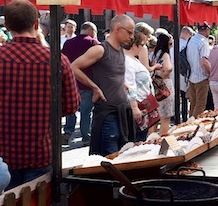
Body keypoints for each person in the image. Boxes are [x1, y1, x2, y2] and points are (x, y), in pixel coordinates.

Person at [0, 0, 80, 189]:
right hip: (41, 151)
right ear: (37, 24)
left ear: (6, 26)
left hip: (3, 153)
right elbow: (71, 105)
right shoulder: (57, 60)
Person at [71, 14, 136, 156]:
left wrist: (122, 84)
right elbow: (73, 67)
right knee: (109, 158)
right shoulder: (100, 49)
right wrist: (94, 87)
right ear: (118, 29)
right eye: (130, 32)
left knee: (122, 156)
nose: (132, 37)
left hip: (121, 111)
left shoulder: (120, 50)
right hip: (108, 114)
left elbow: (111, 74)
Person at [61, 21, 100, 146]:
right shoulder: (92, 43)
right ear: (91, 31)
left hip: (71, 82)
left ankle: (68, 131)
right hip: (87, 83)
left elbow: (63, 60)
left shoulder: (68, 43)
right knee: (86, 112)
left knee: (71, 110)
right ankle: (85, 137)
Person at [123, 30, 155, 142]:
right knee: (138, 140)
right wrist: (134, 108)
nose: (143, 47)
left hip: (143, 104)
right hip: (138, 105)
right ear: (134, 44)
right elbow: (129, 83)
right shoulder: (127, 61)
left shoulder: (133, 59)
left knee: (142, 137)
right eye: (142, 44)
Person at [186, 21, 211, 118]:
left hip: (191, 75)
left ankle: (189, 123)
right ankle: (194, 125)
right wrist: (210, 74)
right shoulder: (203, 42)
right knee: (200, 104)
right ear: (207, 30)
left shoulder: (191, 39)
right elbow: (204, 61)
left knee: (193, 103)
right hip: (201, 76)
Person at [152, 33, 175, 135]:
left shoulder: (155, 53)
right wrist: (164, 74)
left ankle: (151, 138)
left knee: (156, 115)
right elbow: (169, 68)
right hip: (164, 84)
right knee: (166, 116)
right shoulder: (165, 54)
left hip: (155, 83)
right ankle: (162, 137)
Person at [178, 26, 194, 122]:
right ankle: (184, 117)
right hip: (183, 75)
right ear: (187, 33)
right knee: (185, 98)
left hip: (173, 75)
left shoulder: (172, 43)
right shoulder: (186, 45)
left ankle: (176, 116)